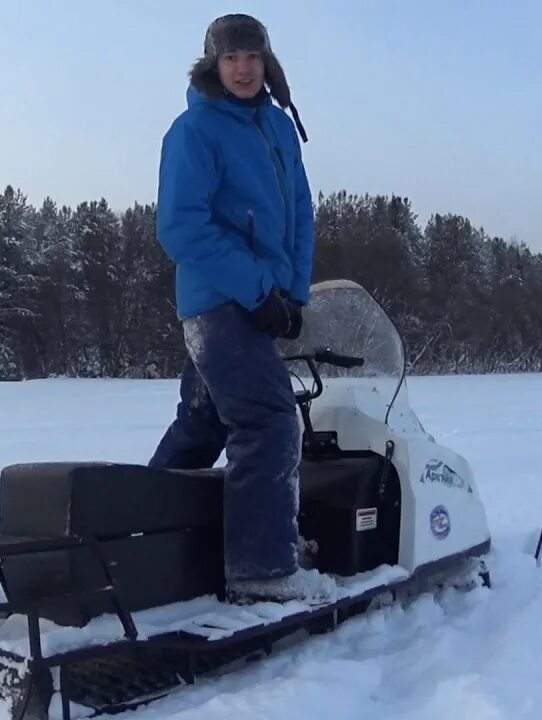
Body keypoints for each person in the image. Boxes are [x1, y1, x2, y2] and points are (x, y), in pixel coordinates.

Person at [148, 13, 332, 604]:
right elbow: (181, 227)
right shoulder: (194, 131)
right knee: (270, 422)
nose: (243, 68)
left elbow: (300, 212)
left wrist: (293, 295)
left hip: (261, 303)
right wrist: (257, 291)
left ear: (267, 62)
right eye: (231, 58)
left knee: (202, 425)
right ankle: (260, 567)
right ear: (213, 66)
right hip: (219, 304)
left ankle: (137, 537)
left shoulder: (278, 129)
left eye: (252, 56)